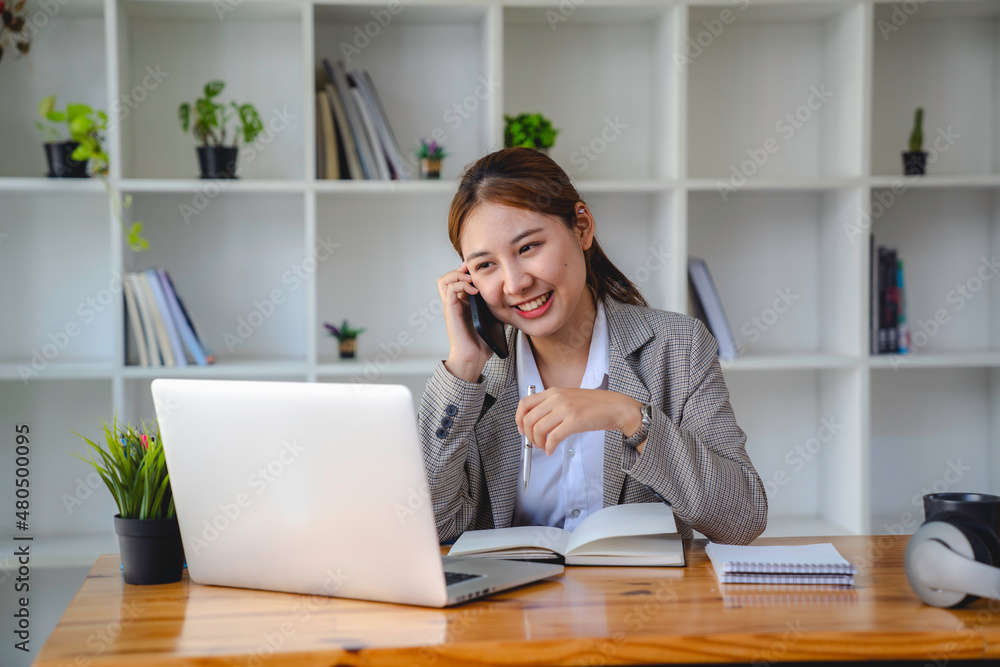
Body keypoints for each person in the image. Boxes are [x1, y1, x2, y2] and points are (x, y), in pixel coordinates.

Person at [418, 147, 767, 546]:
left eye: (528, 248)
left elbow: (743, 518)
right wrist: (463, 365)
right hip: (510, 607)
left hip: (642, 603)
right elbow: (431, 527)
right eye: (485, 265)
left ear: (581, 227)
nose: (514, 284)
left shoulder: (679, 348)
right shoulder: (476, 383)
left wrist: (631, 418)